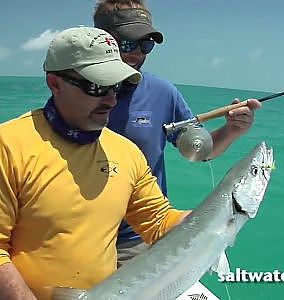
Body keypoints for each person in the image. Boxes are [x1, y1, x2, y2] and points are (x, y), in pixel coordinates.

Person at [0, 26, 191, 300]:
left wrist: (220, 214)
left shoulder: (126, 152)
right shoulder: (8, 145)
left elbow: (158, 222)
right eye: (96, 86)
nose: (111, 99)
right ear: (55, 83)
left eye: (118, 86)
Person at [93, 0, 262, 263]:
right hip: (80, 236)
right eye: (127, 43)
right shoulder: (75, 93)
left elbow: (199, 149)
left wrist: (231, 130)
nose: (137, 53)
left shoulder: (162, 92)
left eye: (145, 44)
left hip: (139, 239)